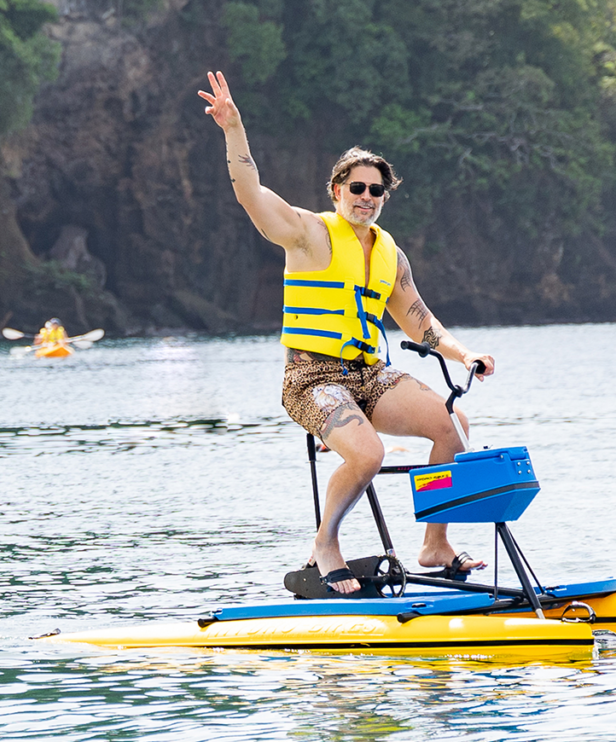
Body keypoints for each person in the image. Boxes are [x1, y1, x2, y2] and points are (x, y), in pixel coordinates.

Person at [199, 71, 495, 594]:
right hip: (310, 378)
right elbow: (249, 193)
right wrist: (233, 129)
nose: (366, 196)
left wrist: (464, 353)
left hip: (368, 374)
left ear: (385, 196)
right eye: (356, 188)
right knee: (368, 453)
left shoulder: (389, 253)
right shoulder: (308, 234)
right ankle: (325, 546)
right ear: (337, 191)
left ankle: (434, 544)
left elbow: (420, 320)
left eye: (375, 190)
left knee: (455, 424)